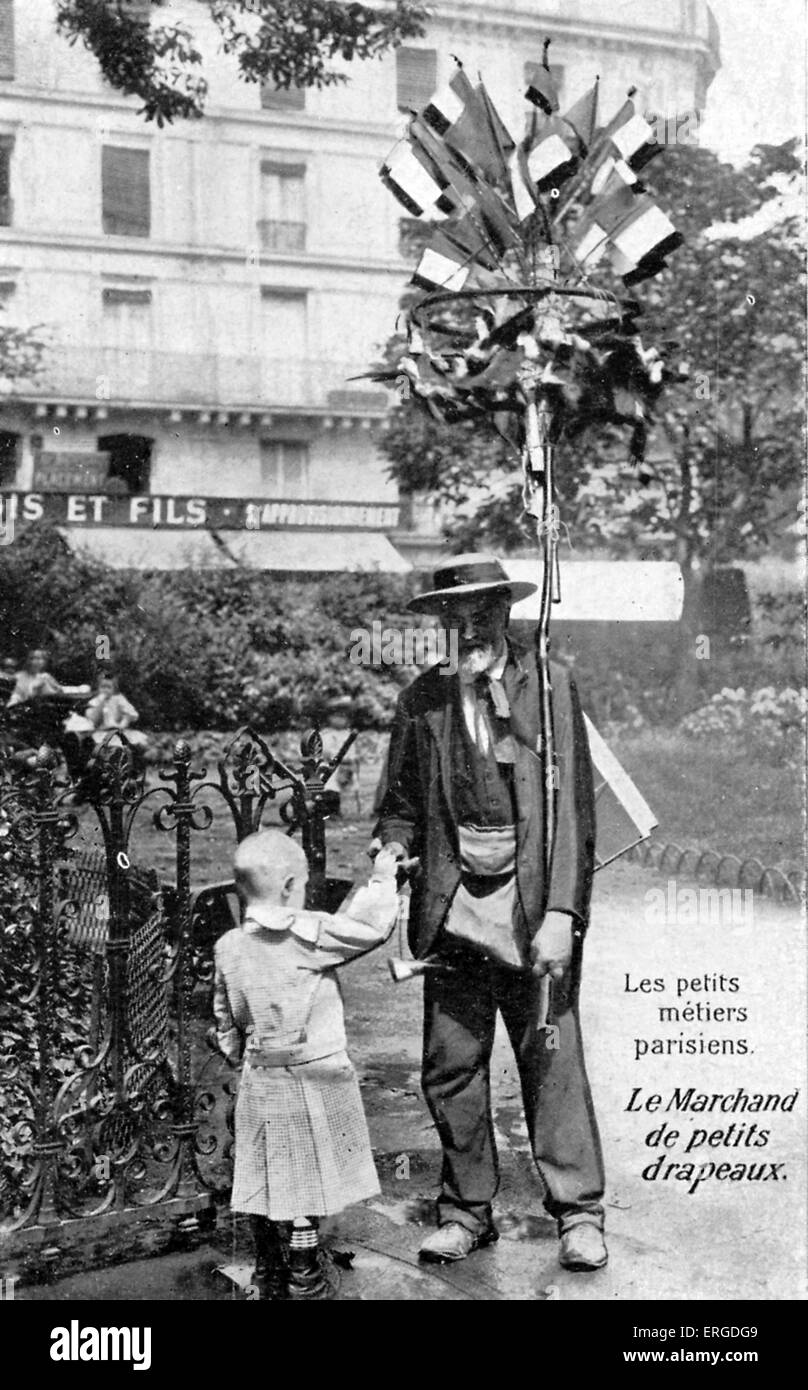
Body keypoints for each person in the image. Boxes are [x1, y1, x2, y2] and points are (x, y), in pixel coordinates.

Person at [373, 553, 607, 1273]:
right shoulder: (426, 699)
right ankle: (466, 1212)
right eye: (456, 618)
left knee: (551, 1061)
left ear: (506, 613)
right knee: (452, 1065)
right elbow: (401, 805)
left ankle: (579, 1213)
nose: (468, 628)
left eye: (482, 614)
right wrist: (391, 851)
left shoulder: (549, 686)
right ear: (442, 623)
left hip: (532, 903)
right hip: (451, 906)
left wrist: (563, 912)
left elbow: (574, 815)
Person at [211, 828, 400, 1300]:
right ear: (292, 886)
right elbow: (370, 928)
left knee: (264, 1173)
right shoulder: (305, 933)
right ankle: (305, 1271)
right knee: (309, 1179)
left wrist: (242, 1056)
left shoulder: (230, 947)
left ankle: (269, 1267)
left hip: (261, 1074)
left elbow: (226, 1017)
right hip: (313, 1072)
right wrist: (382, 879)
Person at [84, 671, 147, 747]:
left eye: (109, 687)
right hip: (102, 733)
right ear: (98, 688)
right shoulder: (95, 701)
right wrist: (101, 703)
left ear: (114, 689)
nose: (105, 690)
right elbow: (93, 720)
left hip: (119, 731)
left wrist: (125, 721)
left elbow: (132, 714)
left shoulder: (118, 699)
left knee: (137, 742)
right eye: (103, 687)